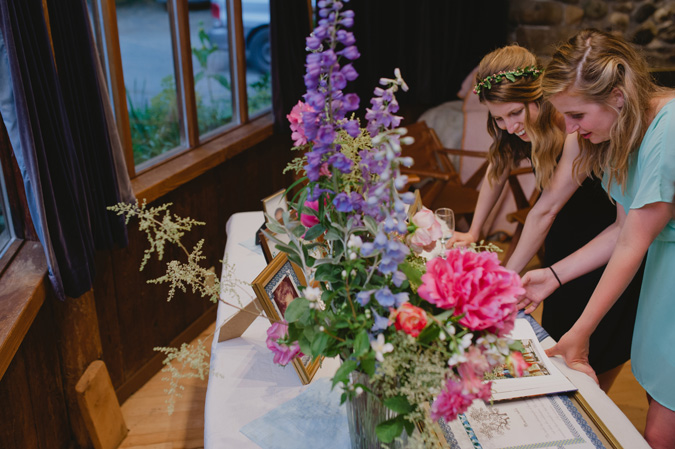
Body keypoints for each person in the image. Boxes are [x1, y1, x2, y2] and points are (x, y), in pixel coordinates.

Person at [447, 45, 642, 392]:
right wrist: (474, 229)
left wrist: (503, 280)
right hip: (561, 245)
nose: (508, 126)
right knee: (556, 344)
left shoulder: (573, 126)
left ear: (536, 95)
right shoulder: (520, 128)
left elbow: (544, 209)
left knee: (596, 357)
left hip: (604, 248)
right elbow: (498, 164)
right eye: (499, 119)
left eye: (514, 113)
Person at [518, 29, 674, 448]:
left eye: (578, 116)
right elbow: (621, 227)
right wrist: (552, 275)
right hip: (663, 285)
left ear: (617, 98)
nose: (569, 128)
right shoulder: (627, 130)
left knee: (660, 432)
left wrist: (580, 333)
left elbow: (632, 242)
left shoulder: (670, 128)